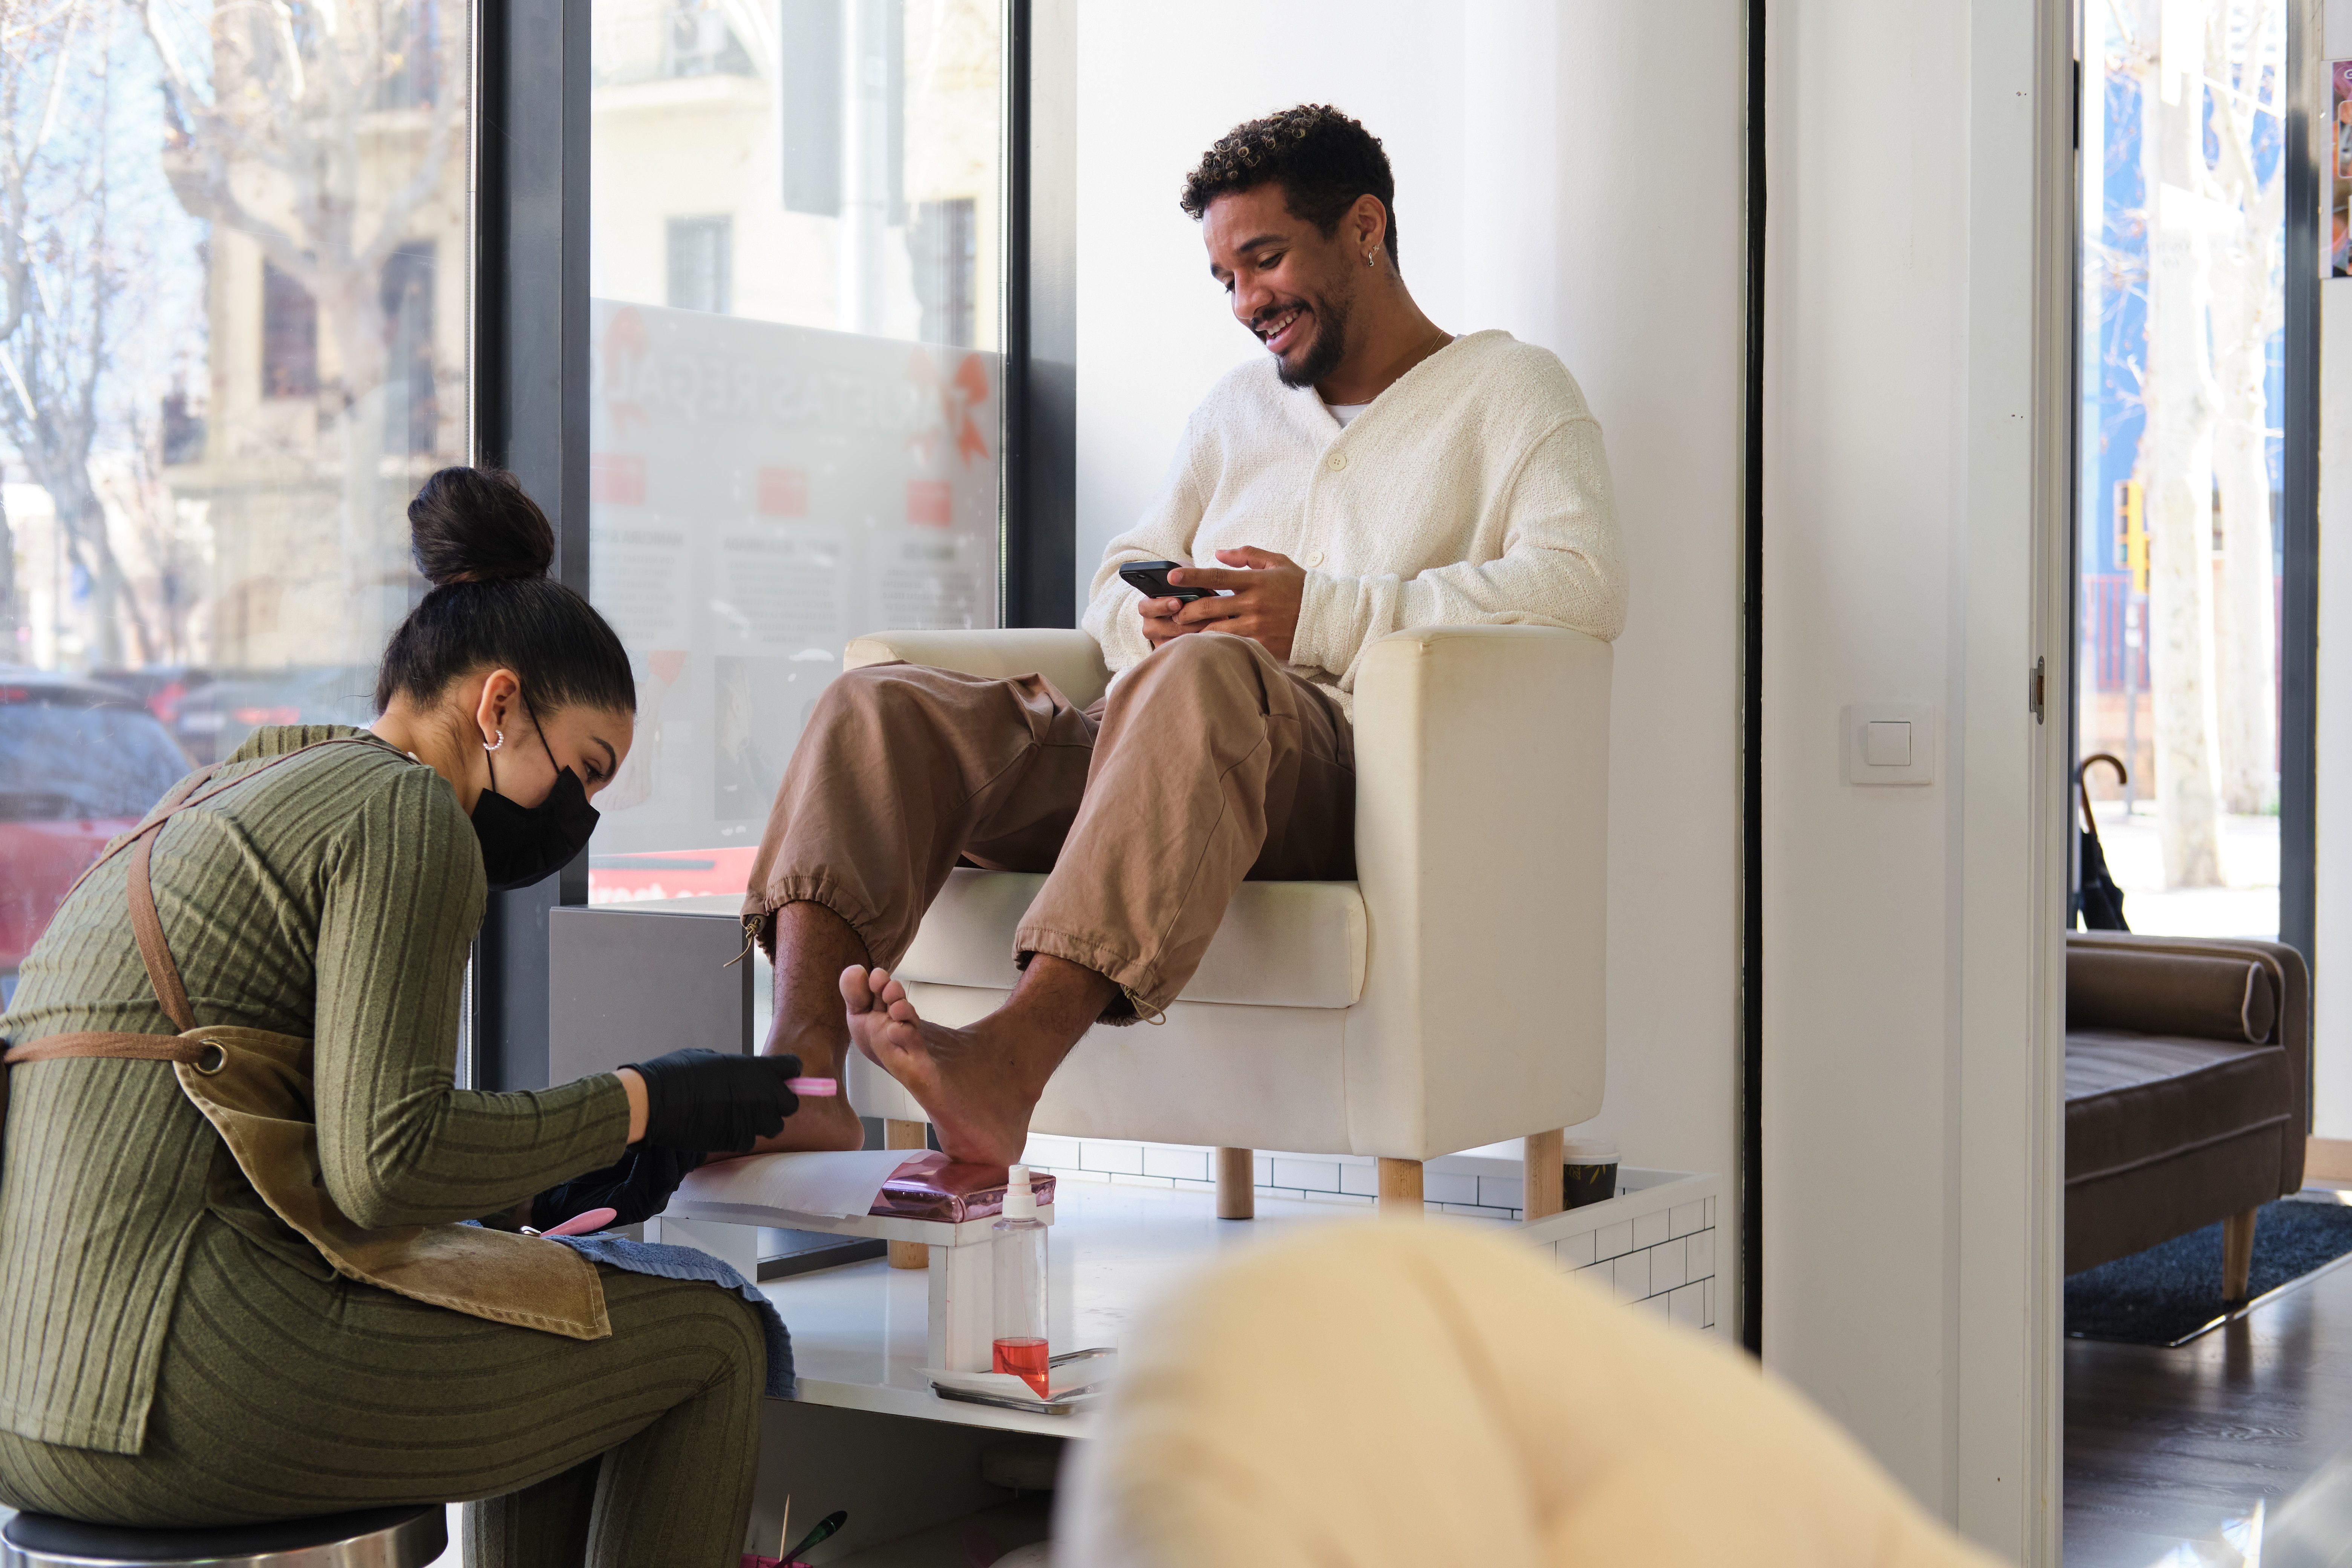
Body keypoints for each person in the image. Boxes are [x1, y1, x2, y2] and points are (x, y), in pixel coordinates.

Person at [744, 103, 1628, 1166]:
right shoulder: (1232, 413)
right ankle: (797, 1080)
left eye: (1266, 262)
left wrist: (1326, 613)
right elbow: (1114, 588)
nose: (1249, 303)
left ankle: (1008, 1063)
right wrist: (1150, 618)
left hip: (1333, 778)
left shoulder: (1512, 391)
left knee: (1209, 678)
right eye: (1227, 280)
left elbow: (1581, 587)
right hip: (1151, 744)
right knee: (876, 707)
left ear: (1363, 229)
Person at [0, 469, 803, 1567]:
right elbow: (389, 1163)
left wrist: (547, 1181)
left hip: (32, 1398)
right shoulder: (408, 813)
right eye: (587, 770)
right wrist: (646, 1099)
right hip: (176, 1390)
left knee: (557, 1312)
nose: (582, 815)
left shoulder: (227, 795)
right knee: (712, 1335)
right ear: (501, 704)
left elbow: (317, 1137)